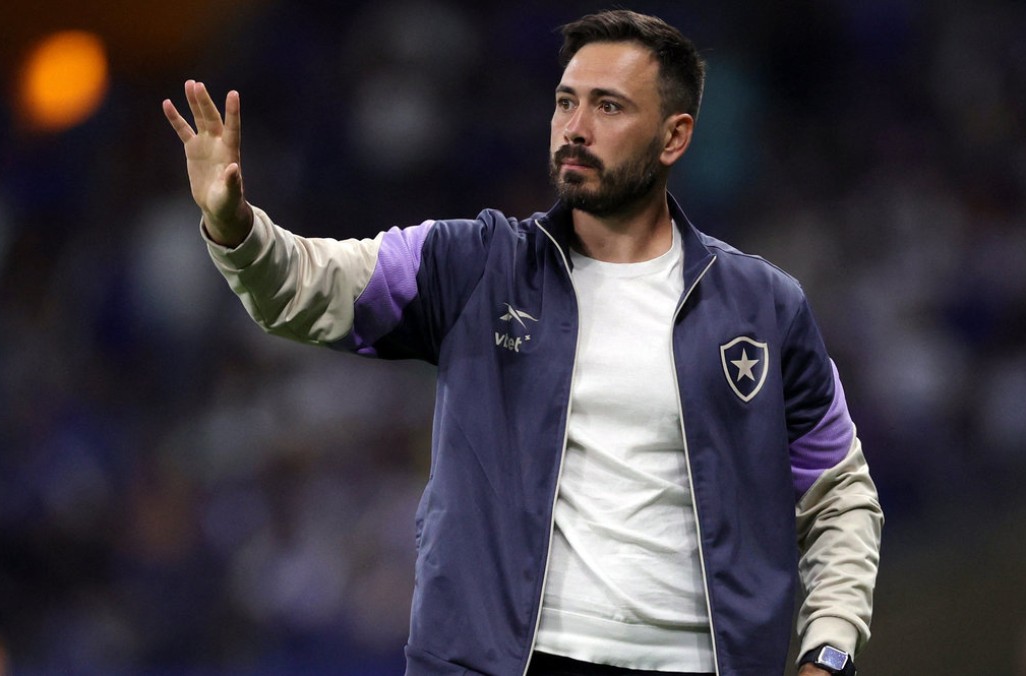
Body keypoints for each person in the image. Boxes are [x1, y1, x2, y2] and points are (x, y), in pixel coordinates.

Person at [163, 9, 882, 676]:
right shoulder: (474, 265)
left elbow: (840, 495)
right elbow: (309, 285)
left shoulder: (763, 308)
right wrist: (236, 227)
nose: (576, 127)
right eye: (566, 102)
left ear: (674, 137)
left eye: (609, 107)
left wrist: (828, 651)